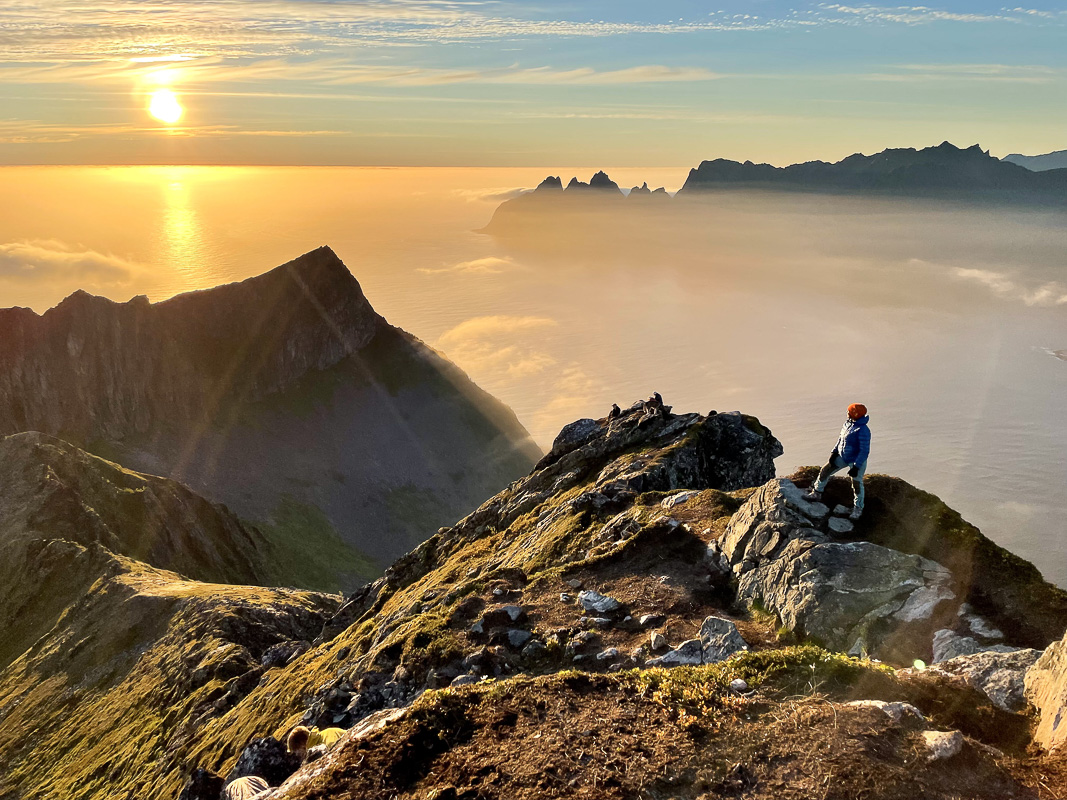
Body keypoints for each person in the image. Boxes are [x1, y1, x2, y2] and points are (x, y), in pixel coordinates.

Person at [805, 403, 871, 520]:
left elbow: (864, 451)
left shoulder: (863, 430)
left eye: (849, 411)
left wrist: (856, 467)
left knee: (856, 483)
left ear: (855, 414)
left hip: (856, 460)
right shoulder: (847, 424)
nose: (847, 413)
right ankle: (817, 493)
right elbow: (840, 439)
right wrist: (834, 452)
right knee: (825, 470)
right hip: (843, 456)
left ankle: (858, 508)